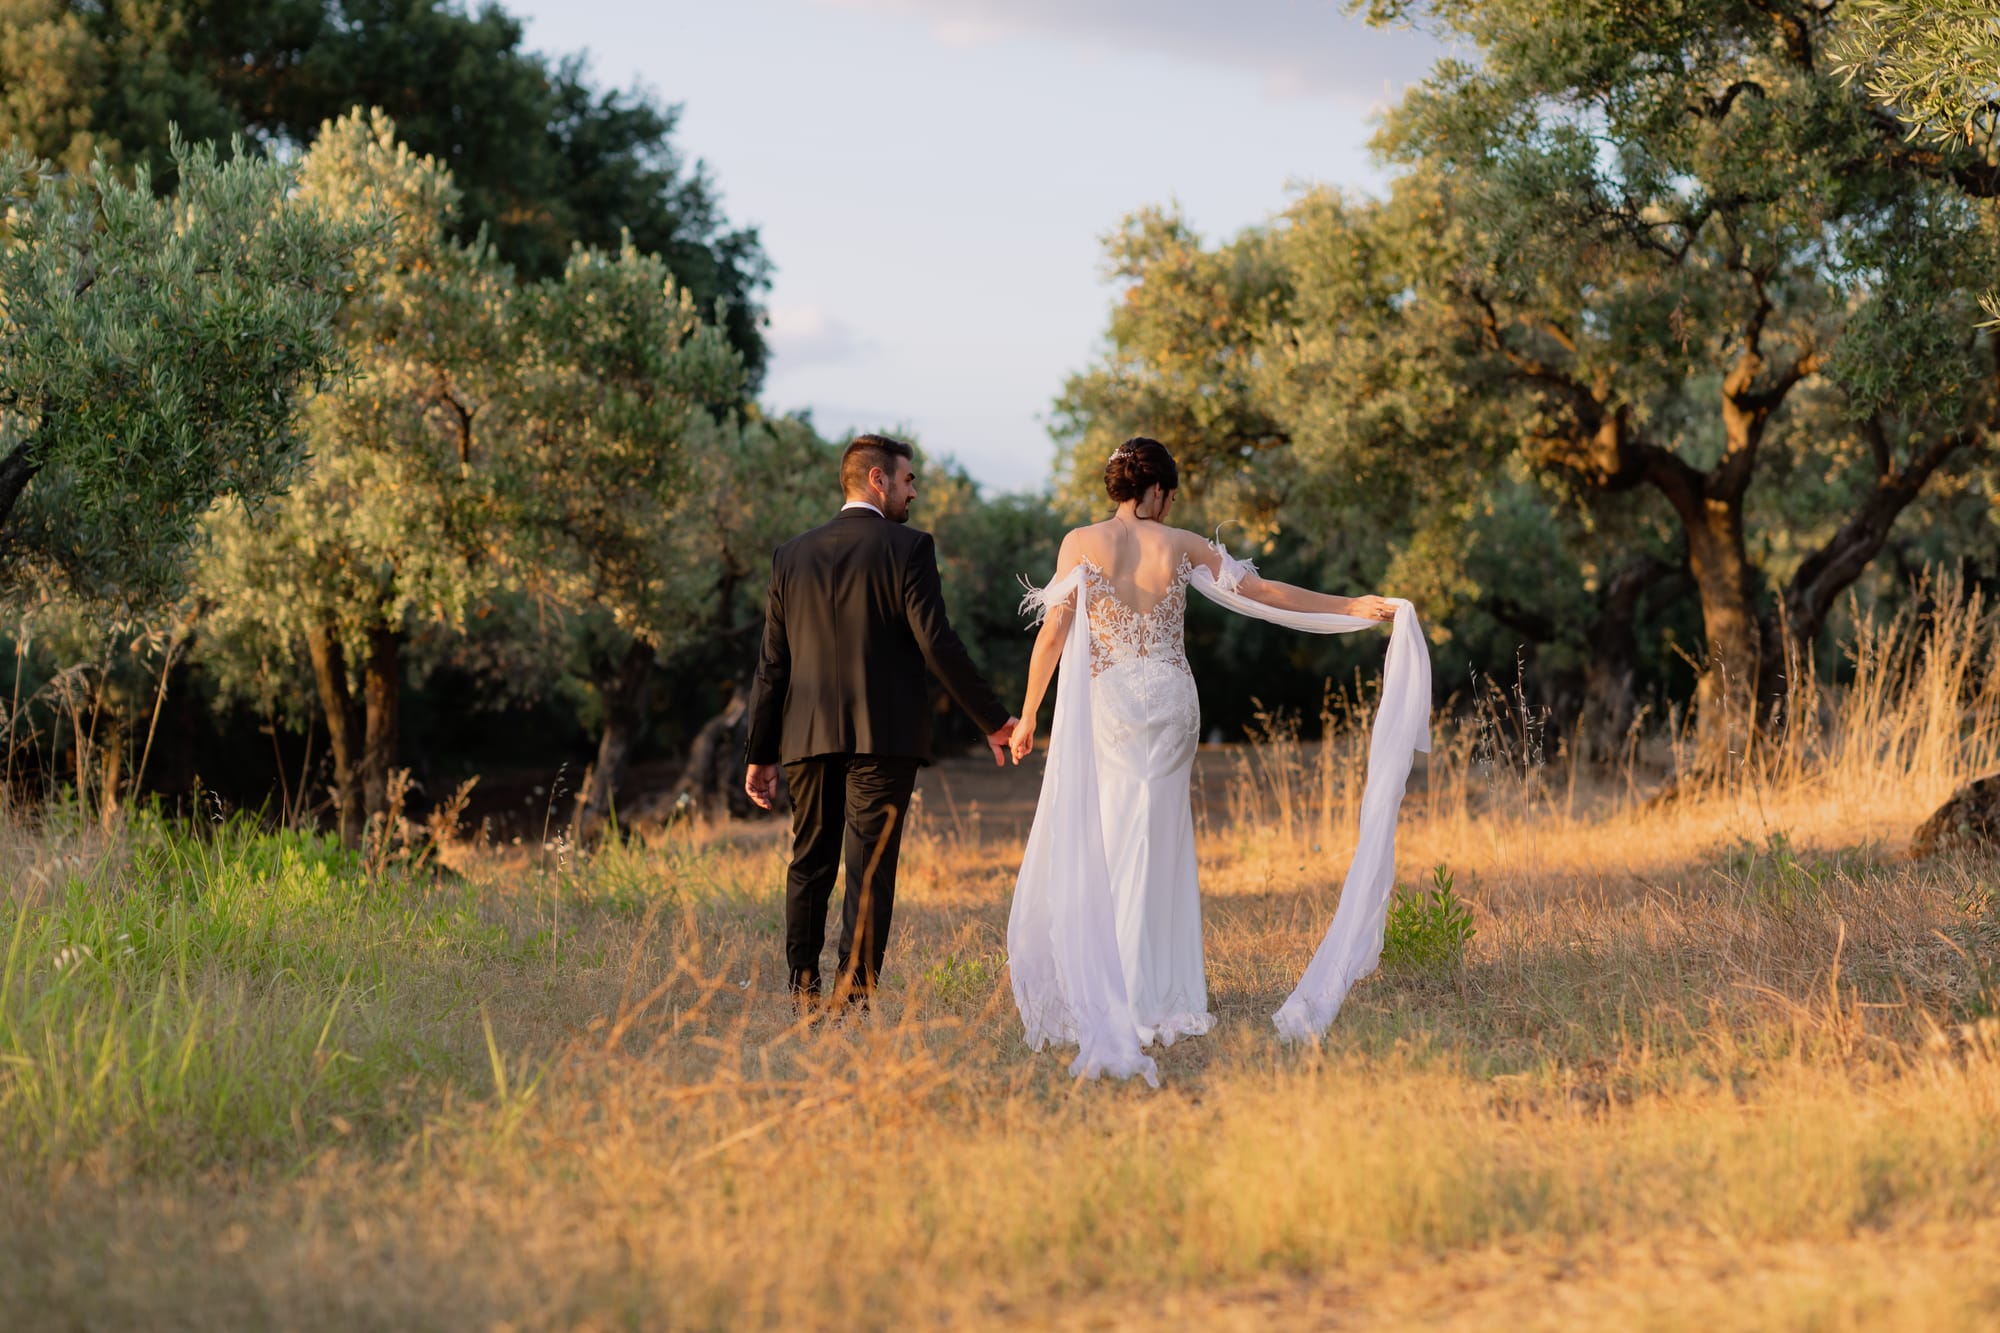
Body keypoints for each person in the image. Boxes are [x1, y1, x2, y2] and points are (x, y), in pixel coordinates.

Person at [1006, 437, 1432, 1083]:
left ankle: (1115, 982)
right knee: (1162, 835)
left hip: (1114, 699)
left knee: (1116, 830)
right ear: (1158, 490)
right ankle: (1163, 991)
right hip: (1174, 698)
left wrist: (1030, 711)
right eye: (1170, 493)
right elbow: (1264, 591)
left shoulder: (1080, 541)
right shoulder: (1180, 544)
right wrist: (1349, 605)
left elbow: (1054, 631)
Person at [744, 434, 1018, 1017]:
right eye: (908, 480)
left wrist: (760, 752)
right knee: (870, 866)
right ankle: (854, 995)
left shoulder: (791, 554)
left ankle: (802, 991)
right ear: (877, 480)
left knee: (809, 860)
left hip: (806, 735)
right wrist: (993, 720)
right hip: (883, 736)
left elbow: (773, 662)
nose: (913, 490)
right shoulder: (909, 547)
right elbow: (937, 642)